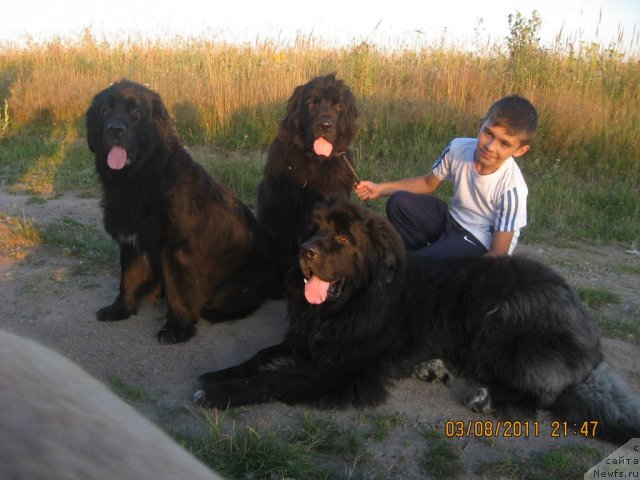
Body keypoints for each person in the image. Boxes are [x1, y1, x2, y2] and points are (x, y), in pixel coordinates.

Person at [355, 94, 537, 258]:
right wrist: (380, 189)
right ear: (481, 125)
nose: (490, 146)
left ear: (520, 150)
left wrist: (465, 278)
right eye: (488, 133)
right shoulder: (458, 148)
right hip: (453, 219)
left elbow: (498, 254)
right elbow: (428, 183)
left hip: (479, 240)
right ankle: (417, 263)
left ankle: (425, 269)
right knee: (399, 203)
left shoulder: (513, 189)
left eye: (504, 144)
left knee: (423, 264)